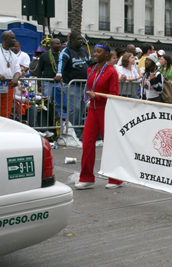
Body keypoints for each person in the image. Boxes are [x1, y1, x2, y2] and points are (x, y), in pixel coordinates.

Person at [75, 41, 123, 190]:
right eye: (94, 51)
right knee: (87, 143)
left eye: (98, 52)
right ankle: (87, 178)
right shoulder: (90, 70)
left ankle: (116, 179)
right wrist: (92, 99)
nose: (95, 54)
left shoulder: (111, 72)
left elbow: (114, 95)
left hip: (106, 111)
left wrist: (98, 97)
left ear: (106, 54)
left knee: (110, 144)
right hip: (92, 110)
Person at [55, 32, 91, 135]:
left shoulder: (84, 51)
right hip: (72, 84)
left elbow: (89, 62)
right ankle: (70, 129)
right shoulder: (66, 51)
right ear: (72, 40)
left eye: (81, 39)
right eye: (79, 39)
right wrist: (59, 74)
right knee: (74, 108)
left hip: (84, 85)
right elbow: (61, 62)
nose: (81, 41)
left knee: (81, 108)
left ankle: (77, 129)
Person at [0, 31, 20, 118]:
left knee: (6, 109)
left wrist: (16, 78)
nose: (14, 40)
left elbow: (17, 69)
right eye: (12, 38)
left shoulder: (13, 55)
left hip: (9, 85)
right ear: (5, 39)